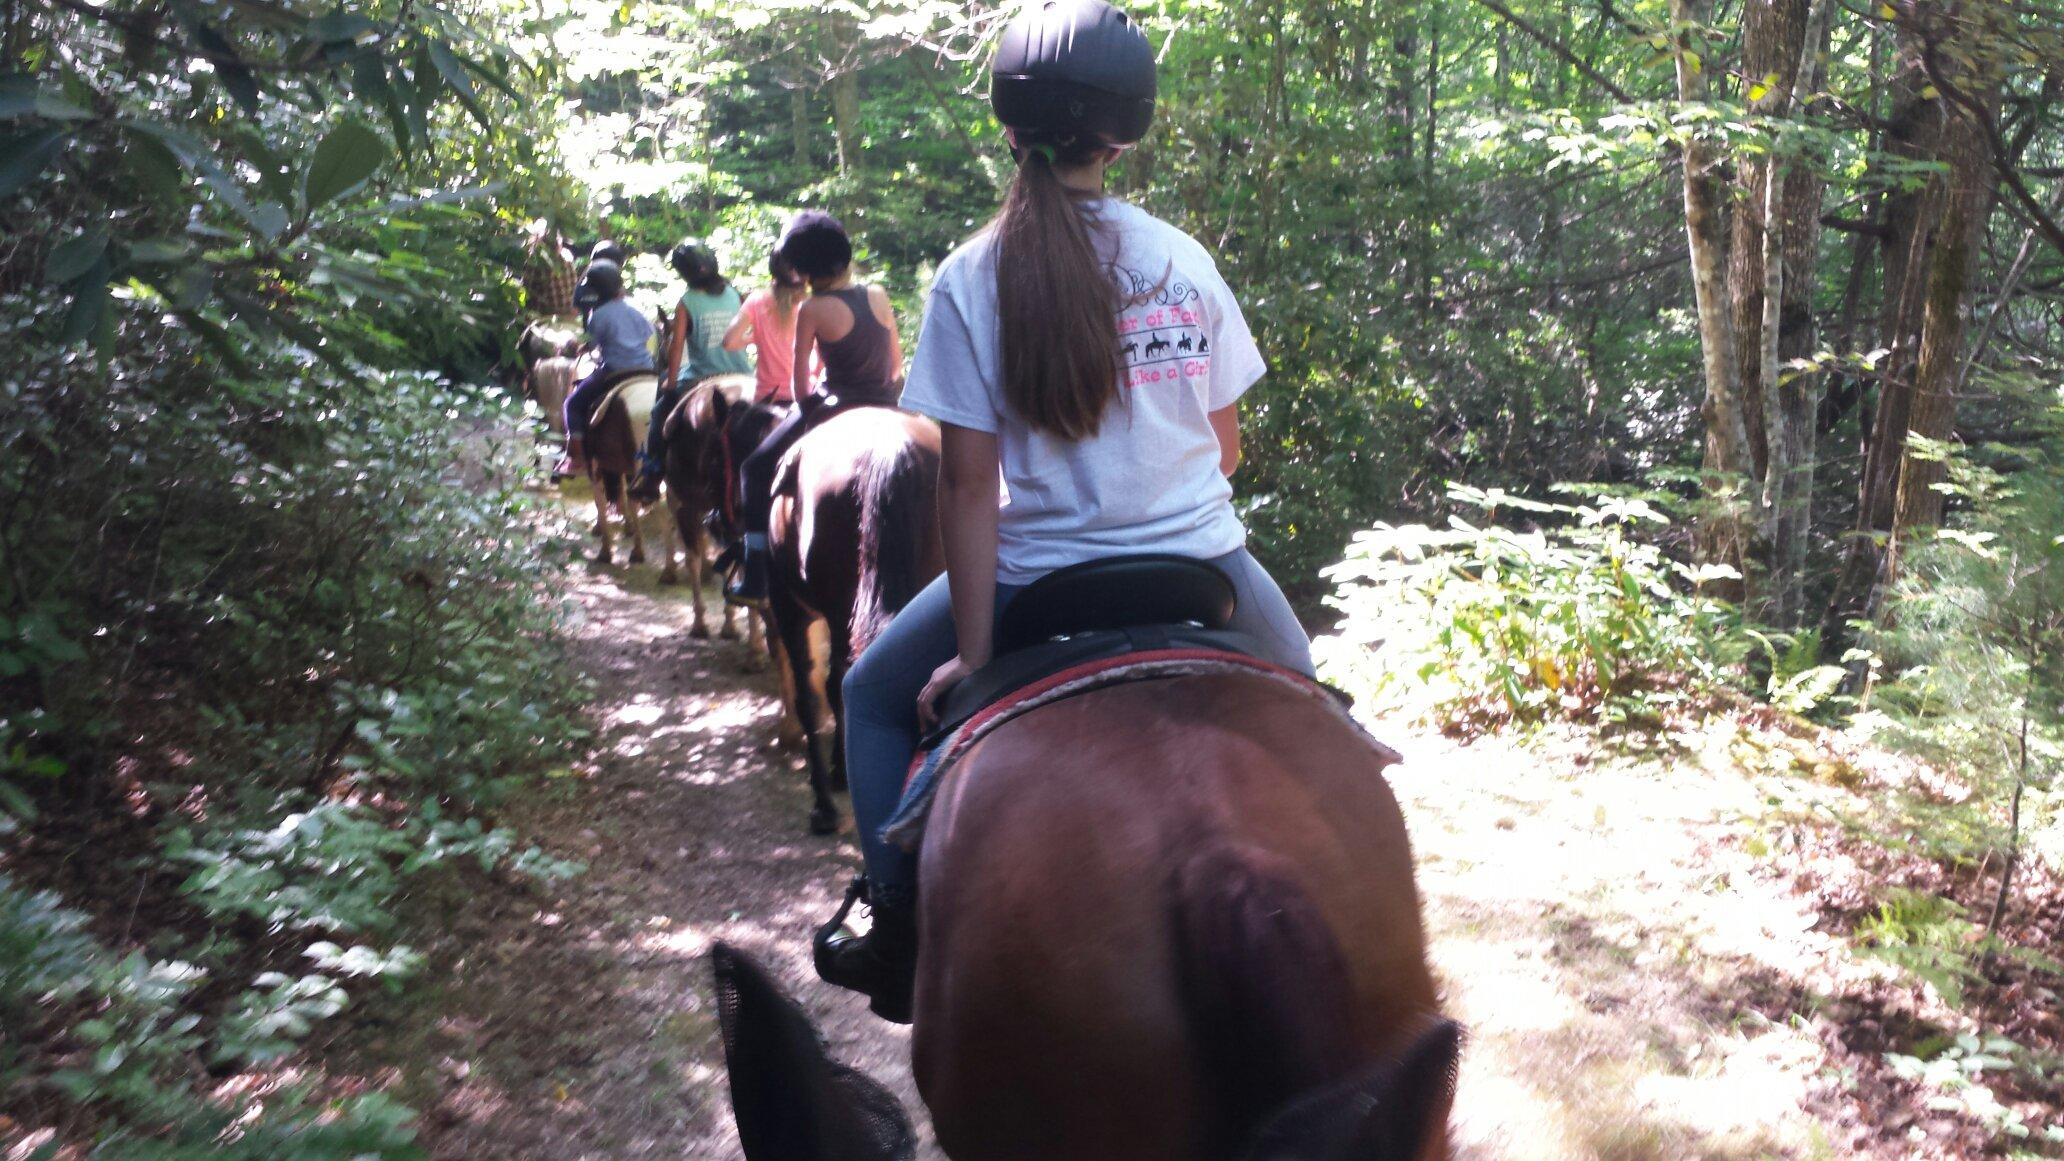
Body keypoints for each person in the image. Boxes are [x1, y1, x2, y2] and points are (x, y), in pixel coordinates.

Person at [811, 0, 1316, 1024]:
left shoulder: (970, 276)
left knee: (868, 694)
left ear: (1009, 121)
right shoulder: (1182, 259)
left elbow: (965, 486)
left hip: (1034, 576)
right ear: (1125, 133)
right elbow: (1223, 447)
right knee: (1310, 704)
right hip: (1204, 568)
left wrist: (982, 655)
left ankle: (895, 921)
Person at [725, 211, 903, 605]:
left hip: (836, 404)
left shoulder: (812, 309)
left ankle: (755, 573)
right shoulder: (877, 294)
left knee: (754, 468)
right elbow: (895, 366)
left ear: (802, 270)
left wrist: (813, 401)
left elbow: (801, 387)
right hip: (889, 404)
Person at [632, 240, 755, 502]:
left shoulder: (686, 302)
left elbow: (676, 348)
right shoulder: (736, 294)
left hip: (702, 375)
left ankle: (651, 474)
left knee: (658, 414)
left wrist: (671, 383)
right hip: (744, 373)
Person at [560, 258, 657, 473]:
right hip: (647, 368)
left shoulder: (598, 315)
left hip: (615, 371)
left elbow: (593, 344)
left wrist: (582, 347)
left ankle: (575, 457)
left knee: (573, 405)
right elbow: (648, 334)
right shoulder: (635, 308)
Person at [721, 249, 818, 406]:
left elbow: (729, 342)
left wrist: (755, 337)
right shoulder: (814, 304)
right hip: (808, 396)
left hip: (768, 399)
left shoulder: (757, 300)